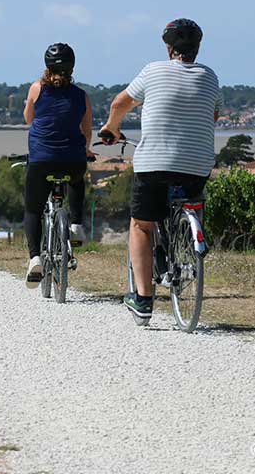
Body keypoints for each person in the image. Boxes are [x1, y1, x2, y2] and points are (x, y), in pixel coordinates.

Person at [99, 18, 221, 321]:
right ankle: (189, 232)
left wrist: (111, 128)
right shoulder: (210, 77)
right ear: (198, 48)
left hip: (154, 164)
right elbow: (214, 115)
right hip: (197, 166)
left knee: (142, 225)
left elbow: (120, 103)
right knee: (187, 201)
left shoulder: (153, 71)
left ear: (169, 49)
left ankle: (142, 300)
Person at [22, 43, 94, 285]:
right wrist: (86, 150)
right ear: (72, 67)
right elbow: (86, 130)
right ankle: (75, 225)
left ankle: (34, 258)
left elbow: (28, 118)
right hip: (73, 159)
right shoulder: (82, 95)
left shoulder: (36, 88)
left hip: (42, 160)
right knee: (77, 180)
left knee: (33, 209)